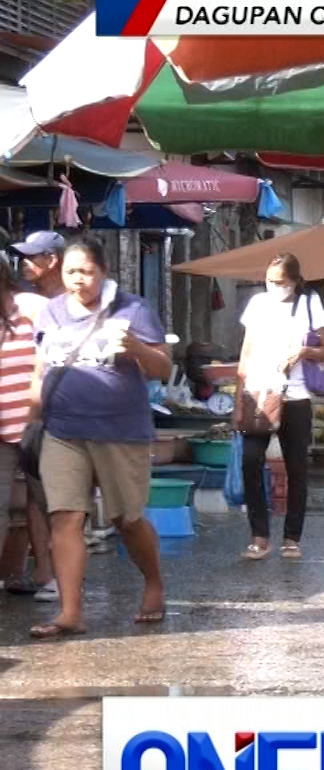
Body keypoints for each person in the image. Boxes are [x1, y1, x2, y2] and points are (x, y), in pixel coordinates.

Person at [28, 239, 171, 638]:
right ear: (62, 273)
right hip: (63, 431)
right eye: (72, 272)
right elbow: (41, 371)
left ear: (103, 271)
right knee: (65, 517)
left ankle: (154, 583)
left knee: (127, 519)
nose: (79, 280)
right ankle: (70, 612)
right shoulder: (52, 312)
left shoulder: (132, 309)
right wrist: (30, 414)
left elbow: (162, 368)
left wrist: (138, 347)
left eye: (87, 271)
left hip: (119, 432)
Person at [238, 254, 324, 559]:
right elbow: (247, 349)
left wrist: (304, 351)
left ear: (294, 281)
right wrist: (239, 396)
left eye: (280, 281)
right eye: (269, 280)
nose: (274, 286)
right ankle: (259, 535)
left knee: (297, 468)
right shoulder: (257, 304)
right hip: (260, 393)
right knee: (250, 461)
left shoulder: (310, 303)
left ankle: (292, 537)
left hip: (297, 396)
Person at [3, 231, 61, 601]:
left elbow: (53, 358)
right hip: (4, 421)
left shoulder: (33, 306)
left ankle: (50, 574)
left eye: (32, 256)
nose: (25, 263)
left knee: (45, 500)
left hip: (37, 418)